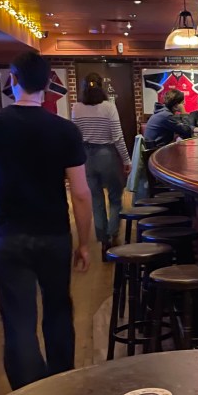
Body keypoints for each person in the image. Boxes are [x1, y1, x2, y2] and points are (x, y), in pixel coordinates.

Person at [0, 50, 92, 390]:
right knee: (58, 310)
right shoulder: (65, 130)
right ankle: (62, 384)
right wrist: (85, 243)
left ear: (13, 81)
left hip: (7, 234)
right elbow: (80, 193)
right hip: (53, 234)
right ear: (49, 84)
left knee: (18, 320)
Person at [71, 73, 131, 260]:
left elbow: (75, 137)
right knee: (115, 197)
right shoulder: (109, 107)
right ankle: (113, 235)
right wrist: (127, 160)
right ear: (102, 86)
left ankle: (102, 239)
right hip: (107, 154)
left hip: (86, 157)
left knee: (96, 200)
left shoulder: (76, 107)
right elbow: (118, 137)